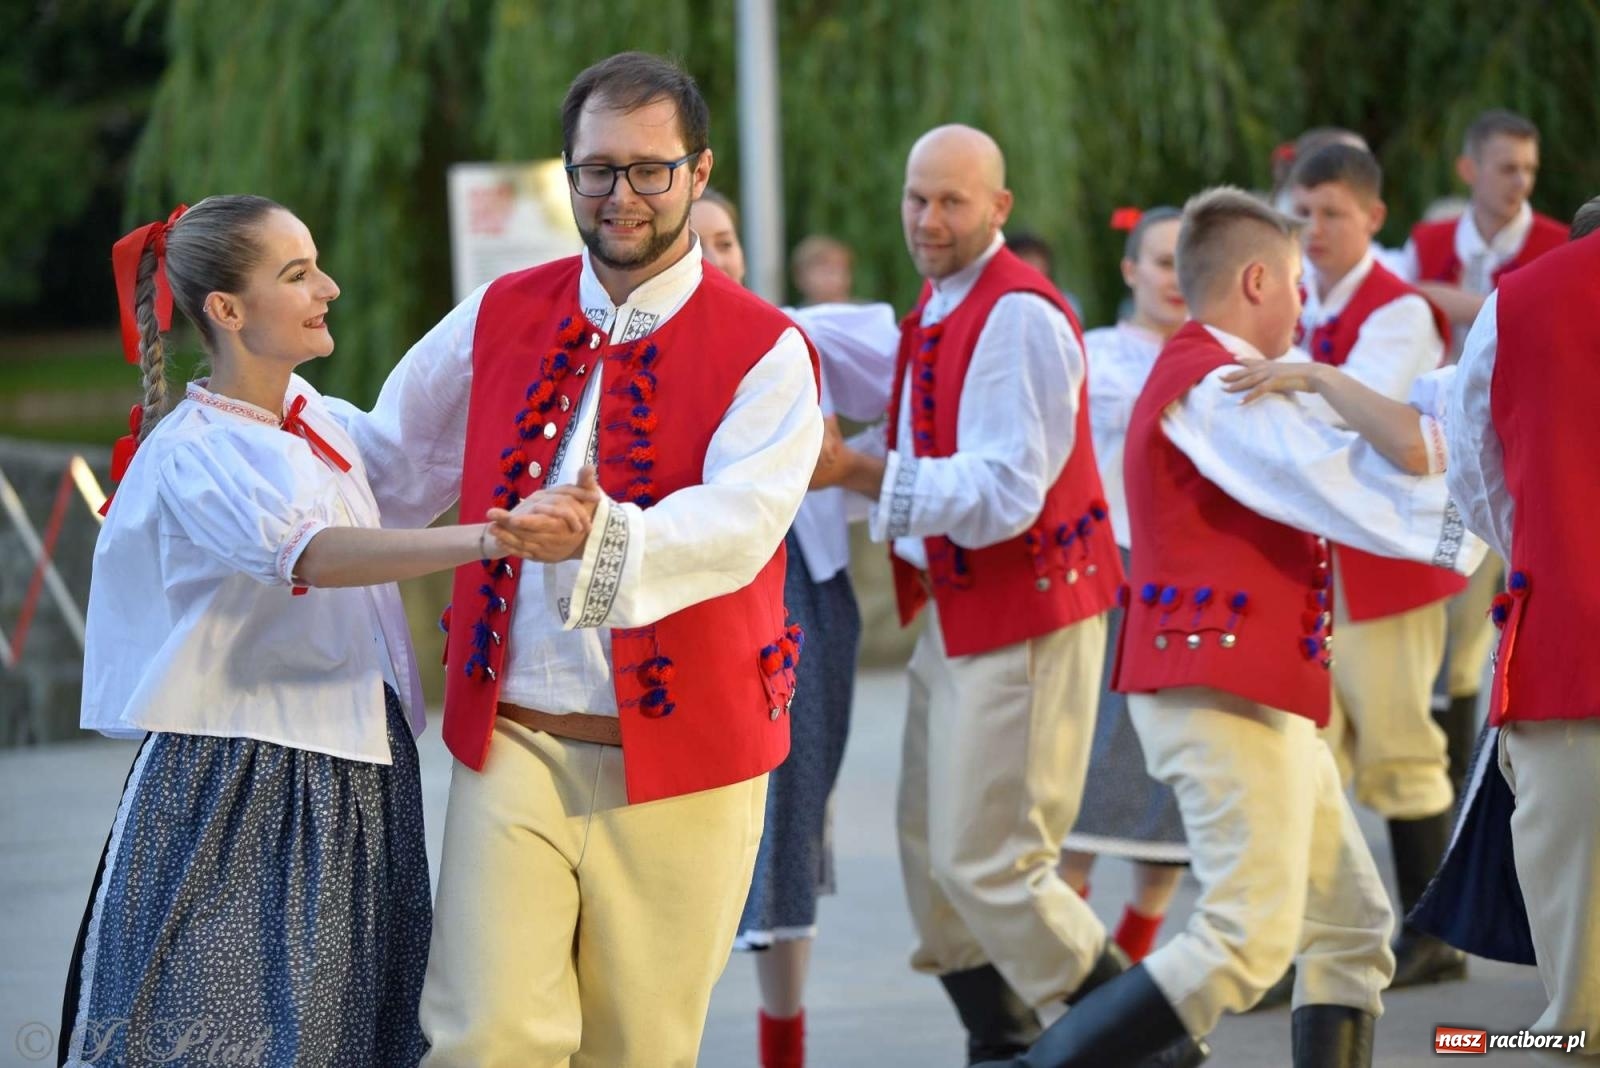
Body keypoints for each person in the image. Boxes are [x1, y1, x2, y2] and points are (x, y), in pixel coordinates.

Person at [335, 53, 823, 1068]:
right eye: (596, 169)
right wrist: (253, 445)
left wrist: (605, 535)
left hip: (690, 759)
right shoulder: (499, 310)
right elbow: (386, 460)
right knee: (483, 1037)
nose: (621, 195)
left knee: (637, 1049)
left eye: (650, 169)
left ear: (698, 171)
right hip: (515, 738)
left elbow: (741, 522)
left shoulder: (766, 347)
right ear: (567, 174)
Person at [978, 187, 1484, 1068]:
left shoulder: (1225, 374)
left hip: (1255, 692)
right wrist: (1490, 484)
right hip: (1219, 693)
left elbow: (1344, 463)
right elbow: (1349, 482)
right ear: (1258, 279)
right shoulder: (1218, 382)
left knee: (1350, 931)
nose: (1303, 303)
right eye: (1294, 282)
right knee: (1248, 935)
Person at [60, 195, 546, 1068]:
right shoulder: (195, 447)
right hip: (242, 775)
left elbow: (402, 459)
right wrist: (486, 537)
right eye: (296, 274)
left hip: (358, 769)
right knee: (227, 1035)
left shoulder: (317, 418)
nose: (328, 286)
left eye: (315, 264)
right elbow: (312, 554)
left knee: (344, 1028)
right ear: (227, 310)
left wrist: (509, 307)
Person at [816, 124, 1206, 1067]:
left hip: (1028, 612)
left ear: (999, 208)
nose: (928, 218)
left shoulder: (1022, 315)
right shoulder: (944, 300)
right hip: (962, 609)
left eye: (952, 201)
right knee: (932, 858)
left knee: (995, 862)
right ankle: (1002, 1039)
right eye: (917, 198)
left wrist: (857, 470)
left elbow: (1003, 494)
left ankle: (1152, 1041)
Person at [691, 187, 899, 1068]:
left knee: (793, 823)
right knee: (685, 844)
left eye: (728, 241)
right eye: (693, 244)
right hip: (688, 607)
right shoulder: (618, 362)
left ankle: (786, 1049)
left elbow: (932, 378)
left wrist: (857, 470)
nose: (716, 261)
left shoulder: (796, 337)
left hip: (802, 603)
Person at [1285, 142, 1469, 991]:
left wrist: (1290, 384)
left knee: (1399, 747)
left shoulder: (1398, 311)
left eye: (1331, 213)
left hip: (1384, 567)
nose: (1313, 229)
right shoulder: (1295, 301)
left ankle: (1435, 935)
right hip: (1318, 565)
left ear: (1373, 219)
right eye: (1302, 213)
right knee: (1306, 752)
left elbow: (1355, 414)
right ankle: (1307, 940)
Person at [1444, 222, 1600, 1047]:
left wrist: (1548, 545)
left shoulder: (1517, 303)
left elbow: (1476, 476)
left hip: (1571, 640)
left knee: (1581, 992)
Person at [1397, 107, 1569, 816]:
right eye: (1507, 167)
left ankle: (1474, 774)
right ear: (1470, 170)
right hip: (1438, 436)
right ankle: (1448, 770)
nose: (1521, 182)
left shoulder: (1559, 243)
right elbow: (1401, 315)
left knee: (1483, 627)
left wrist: (1462, 302)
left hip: (1519, 447)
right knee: (1446, 615)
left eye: (1529, 169)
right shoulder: (1429, 239)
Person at [1059, 206, 1190, 963]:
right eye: (1162, 260)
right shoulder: (1097, 355)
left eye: (1187, 261)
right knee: (1088, 774)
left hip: (1188, 584)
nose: (1174, 278)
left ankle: (1134, 966)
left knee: (1167, 784)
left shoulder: (1229, 357)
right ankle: (1079, 974)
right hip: (1110, 574)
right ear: (1130, 269)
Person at [790, 233, 855, 305]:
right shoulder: (791, 315)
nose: (831, 277)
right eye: (823, 270)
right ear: (800, 276)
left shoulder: (865, 313)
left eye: (837, 269)